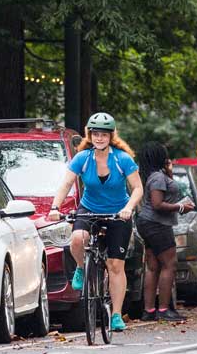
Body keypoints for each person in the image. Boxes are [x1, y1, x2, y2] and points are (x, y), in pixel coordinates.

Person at [48, 113, 143, 332]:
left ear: (111, 136)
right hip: (89, 209)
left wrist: (128, 208)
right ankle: (81, 267)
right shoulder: (83, 158)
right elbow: (66, 184)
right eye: (95, 134)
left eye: (103, 134)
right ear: (90, 135)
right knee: (77, 238)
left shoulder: (122, 159)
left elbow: (138, 188)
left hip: (118, 213)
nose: (99, 138)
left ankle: (117, 315)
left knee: (115, 265)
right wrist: (55, 207)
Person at [137, 142, 195, 322]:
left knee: (153, 266)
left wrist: (169, 172)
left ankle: (149, 310)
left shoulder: (155, 176)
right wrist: (180, 207)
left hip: (147, 222)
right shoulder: (157, 178)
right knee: (169, 264)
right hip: (157, 224)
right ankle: (163, 309)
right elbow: (157, 204)